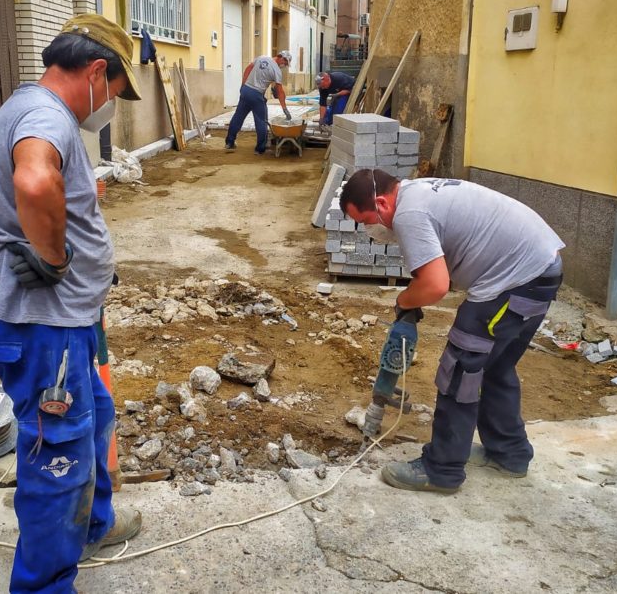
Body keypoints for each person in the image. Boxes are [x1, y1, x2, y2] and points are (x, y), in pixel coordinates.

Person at [0, 13, 143, 593]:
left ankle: (93, 526)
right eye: (116, 91)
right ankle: (44, 586)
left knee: (91, 420)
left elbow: (51, 182)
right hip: (42, 324)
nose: (111, 105)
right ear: (97, 70)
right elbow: (34, 183)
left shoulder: (33, 110)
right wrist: (57, 258)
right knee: (58, 455)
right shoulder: (47, 114)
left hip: (66, 321)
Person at [340, 169, 565, 494]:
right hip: (541, 270)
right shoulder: (416, 192)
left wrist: (404, 301)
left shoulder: (408, 214)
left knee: (461, 370)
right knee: (496, 367)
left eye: (365, 220)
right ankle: (510, 454)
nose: (369, 230)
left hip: (515, 281)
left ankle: (441, 470)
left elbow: (434, 286)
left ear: (380, 201)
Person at [224, 51, 293, 154]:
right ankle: (260, 149)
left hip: (246, 91)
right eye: (286, 63)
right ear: (282, 58)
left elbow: (248, 68)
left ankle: (229, 142)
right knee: (261, 120)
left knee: (238, 117)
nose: (284, 66)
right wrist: (284, 108)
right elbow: (280, 91)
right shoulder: (277, 71)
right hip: (256, 95)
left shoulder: (262, 58)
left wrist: (243, 85)